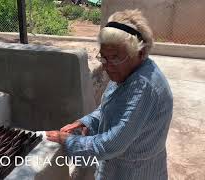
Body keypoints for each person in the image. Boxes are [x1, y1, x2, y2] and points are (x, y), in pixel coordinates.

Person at [46, 9, 173, 180]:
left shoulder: (143, 87)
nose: (107, 65)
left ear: (140, 53)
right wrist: (86, 122)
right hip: (117, 168)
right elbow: (108, 108)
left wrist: (68, 141)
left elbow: (113, 144)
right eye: (104, 57)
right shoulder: (125, 73)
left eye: (115, 57)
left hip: (136, 172)